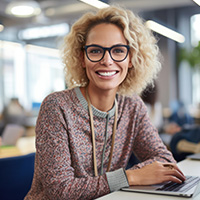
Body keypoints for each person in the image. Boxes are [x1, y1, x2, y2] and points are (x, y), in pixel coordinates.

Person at [25, 6, 185, 200]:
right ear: (82, 58)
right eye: (95, 51)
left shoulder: (132, 106)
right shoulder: (57, 106)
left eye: (118, 50)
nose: (107, 61)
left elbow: (165, 161)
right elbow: (60, 191)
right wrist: (131, 176)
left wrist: (141, 175)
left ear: (131, 58)